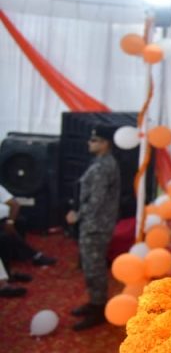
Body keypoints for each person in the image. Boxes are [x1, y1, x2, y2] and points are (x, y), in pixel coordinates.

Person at [65, 125, 121, 330]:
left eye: (94, 140)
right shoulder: (101, 162)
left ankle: (99, 308)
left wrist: (77, 215)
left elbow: (96, 200)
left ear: (105, 143)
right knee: (90, 266)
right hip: (95, 222)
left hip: (96, 224)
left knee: (94, 267)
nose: (89, 143)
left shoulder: (103, 166)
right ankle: (95, 302)